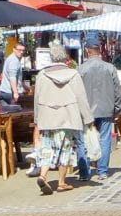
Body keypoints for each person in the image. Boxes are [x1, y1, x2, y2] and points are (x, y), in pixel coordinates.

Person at [33, 41, 94, 194]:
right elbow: (81, 98)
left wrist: (37, 119)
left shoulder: (42, 75)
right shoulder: (73, 74)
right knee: (65, 149)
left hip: (47, 117)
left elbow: (37, 98)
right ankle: (61, 182)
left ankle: (43, 175)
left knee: (47, 147)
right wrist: (88, 118)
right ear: (65, 57)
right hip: (68, 117)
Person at [76, 42, 121, 183]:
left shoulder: (81, 69)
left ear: (87, 50)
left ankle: (84, 173)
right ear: (99, 50)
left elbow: (76, 92)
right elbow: (117, 90)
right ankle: (102, 171)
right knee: (105, 139)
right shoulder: (110, 68)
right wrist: (117, 108)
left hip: (86, 110)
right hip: (106, 108)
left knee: (83, 141)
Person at [0, 42, 26, 106]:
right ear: (14, 49)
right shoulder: (14, 61)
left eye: (23, 50)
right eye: (19, 50)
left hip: (4, 91)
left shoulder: (11, 58)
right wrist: (15, 93)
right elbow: (12, 77)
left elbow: (15, 78)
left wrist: (25, 87)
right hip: (10, 93)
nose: (21, 52)